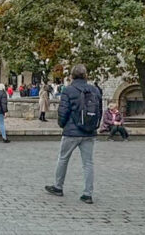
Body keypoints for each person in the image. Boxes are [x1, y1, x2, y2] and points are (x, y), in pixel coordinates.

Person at [46, 64, 102, 204]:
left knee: (63, 158)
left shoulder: (69, 90)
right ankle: (87, 194)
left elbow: (63, 110)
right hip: (89, 131)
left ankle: (58, 186)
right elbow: (100, 110)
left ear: (72, 76)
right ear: (86, 75)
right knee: (88, 163)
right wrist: (95, 125)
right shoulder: (94, 90)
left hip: (72, 131)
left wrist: (62, 124)